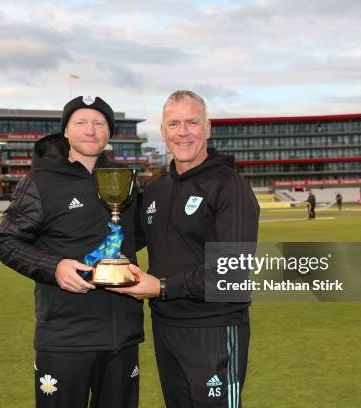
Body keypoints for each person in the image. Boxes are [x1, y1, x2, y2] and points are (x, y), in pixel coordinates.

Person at [110, 90, 260, 407]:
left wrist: (162, 286)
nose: (183, 132)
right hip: (166, 326)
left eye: (192, 122)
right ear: (163, 131)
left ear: (207, 127)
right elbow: (122, 244)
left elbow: (232, 269)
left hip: (215, 327)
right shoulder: (154, 191)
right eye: (174, 124)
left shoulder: (229, 185)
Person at [0, 96, 143, 408]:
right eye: (81, 122)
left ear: (109, 132)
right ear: (65, 131)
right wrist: (54, 266)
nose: (91, 130)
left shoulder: (125, 180)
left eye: (99, 123)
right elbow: (5, 241)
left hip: (122, 336)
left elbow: (135, 236)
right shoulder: (40, 181)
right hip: (65, 337)